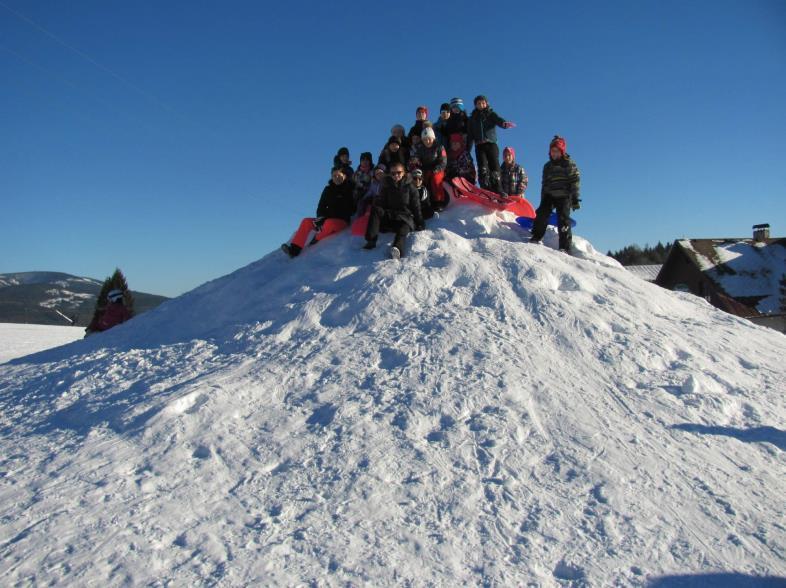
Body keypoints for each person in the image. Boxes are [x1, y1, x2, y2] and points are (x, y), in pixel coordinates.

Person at [282, 167, 355, 257]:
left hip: (342, 221)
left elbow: (349, 208)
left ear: (344, 175)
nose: (336, 177)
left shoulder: (349, 188)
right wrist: (320, 217)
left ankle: (316, 238)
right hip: (326, 218)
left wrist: (326, 218)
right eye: (334, 176)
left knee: (329, 223)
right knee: (306, 221)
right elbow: (321, 205)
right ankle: (294, 250)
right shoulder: (328, 189)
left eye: (338, 175)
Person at [529, 135, 581, 252]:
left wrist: (575, 198)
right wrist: (543, 200)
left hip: (564, 196)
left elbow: (575, 181)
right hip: (550, 195)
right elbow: (544, 184)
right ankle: (536, 236)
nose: (554, 154)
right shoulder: (547, 166)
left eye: (557, 151)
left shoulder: (568, 164)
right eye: (552, 151)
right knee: (542, 213)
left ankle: (564, 246)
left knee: (563, 220)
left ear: (562, 152)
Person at [363, 162, 423, 259]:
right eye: (393, 173)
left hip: (404, 218)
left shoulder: (410, 187)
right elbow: (381, 203)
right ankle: (371, 240)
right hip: (390, 216)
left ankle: (397, 248)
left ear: (404, 173)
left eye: (398, 172)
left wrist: (420, 222)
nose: (396, 175)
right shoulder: (387, 186)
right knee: (376, 209)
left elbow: (416, 206)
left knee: (403, 228)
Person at [467, 95, 515, 192]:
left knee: (494, 165)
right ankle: (485, 188)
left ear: (486, 104)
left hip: (491, 144)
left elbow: (498, 120)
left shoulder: (490, 114)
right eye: (479, 103)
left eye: (483, 103)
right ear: (475, 105)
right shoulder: (472, 119)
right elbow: (470, 135)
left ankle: (498, 189)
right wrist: (468, 149)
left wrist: (504, 124)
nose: (481, 105)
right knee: (482, 167)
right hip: (479, 145)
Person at [415, 127, 448, 210]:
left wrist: (437, 169)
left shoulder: (439, 147)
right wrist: (415, 162)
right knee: (420, 181)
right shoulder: (420, 149)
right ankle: (425, 201)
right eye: (425, 139)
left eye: (429, 139)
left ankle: (439, 201)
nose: (427, 141)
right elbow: (416, 159)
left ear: (433, 138)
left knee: (436, 180)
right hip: (425, 170)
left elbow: (443, 161)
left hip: (438, 169)